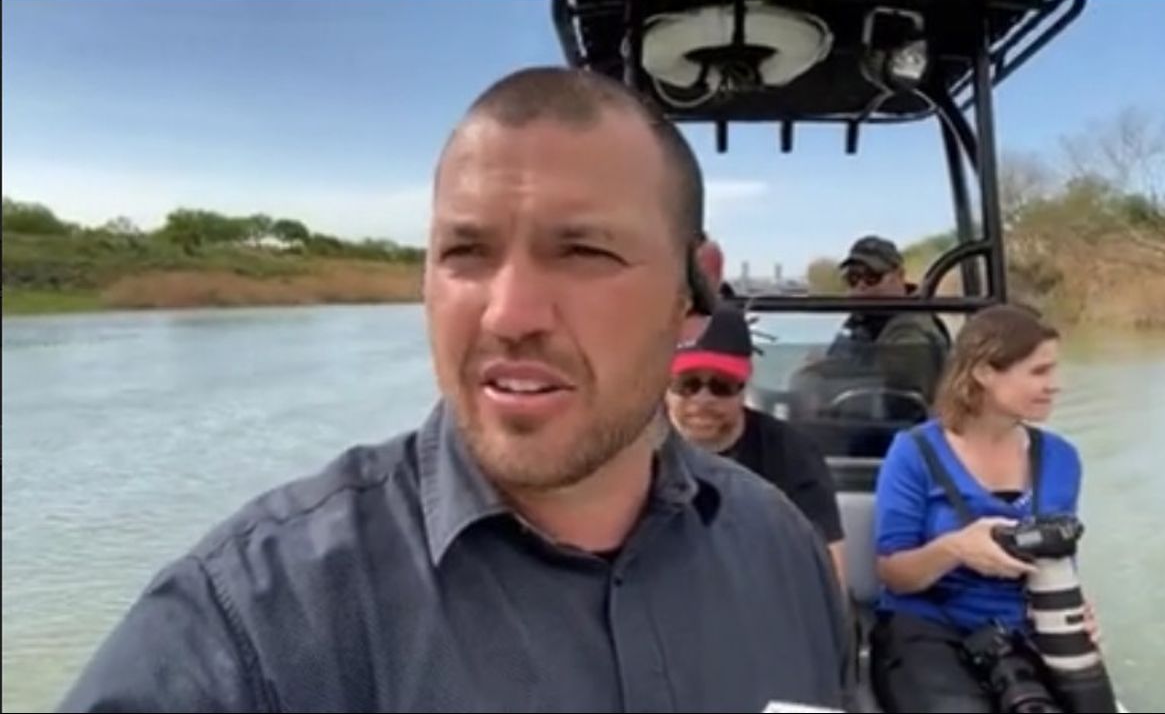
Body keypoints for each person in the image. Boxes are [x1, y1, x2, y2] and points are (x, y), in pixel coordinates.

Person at [56, 66, 851, 714]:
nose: (509, 315)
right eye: (465, 253)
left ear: (694, 288)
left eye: (583, 252)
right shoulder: (253, 628)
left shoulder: (782, 552)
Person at [868, 304, 1101, 713]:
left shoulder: (1062, 458)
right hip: (929, 630)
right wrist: (956, 548)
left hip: (1028, 632)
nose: (1055, 385)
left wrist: (1075, 612)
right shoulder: (914, 452)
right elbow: (893, 574)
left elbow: (1060, 561)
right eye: (1039, 372)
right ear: (983, 372)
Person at [664, 304, 847, 588]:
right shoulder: (635, 451)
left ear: (745, 384)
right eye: (687, 384)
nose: (702, 400)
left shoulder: (791, 452)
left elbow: (829, 571)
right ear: (663, 383)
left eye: (722, 385)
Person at [826, 235, 951, 404]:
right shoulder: (861, 321)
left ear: (899, 276)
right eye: (853, 278)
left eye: (872, 276)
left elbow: (900, 399)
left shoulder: (912, 330)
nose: (861, 285)